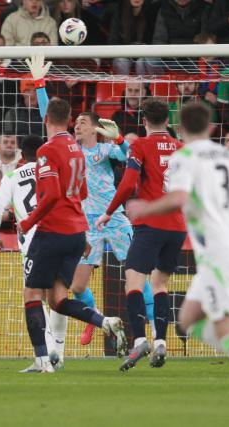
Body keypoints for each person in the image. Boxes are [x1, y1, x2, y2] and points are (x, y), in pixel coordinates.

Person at [126, 102, 229, 418]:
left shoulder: (184, 156)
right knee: (187, 320)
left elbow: (180, 197)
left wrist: (144, 209)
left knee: (226, 329)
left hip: (217, 255)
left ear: (180, 130)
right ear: (212, 127)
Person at [31, 65, 156, 360]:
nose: (78, 126)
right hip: (85, 226)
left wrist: (120, 140)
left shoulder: (104, 151)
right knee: (76, 285)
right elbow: (48, 117)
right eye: (77, 123)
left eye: (84, 123)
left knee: (137, 274)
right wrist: (40, 86)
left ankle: (152, 332)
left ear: (95, 128)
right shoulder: (70, 149)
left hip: (113, 220)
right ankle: (97, 317)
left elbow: (131, 158)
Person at [16, 53, 128, 372]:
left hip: (52, 233)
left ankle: (41, 360)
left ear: (46, 119)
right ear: (67, 121)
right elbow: (80, 193)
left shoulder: (48, 150)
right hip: (77, 234)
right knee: (58, 300)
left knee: (31, 295)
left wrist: (28, 221)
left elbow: (50, 196)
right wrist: (84, 234)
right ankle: (105, 321)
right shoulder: (76, 149)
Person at [96, 99, 186, 371]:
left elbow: (128, 184)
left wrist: (109, 211)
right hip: (177, 227)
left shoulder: (141, 146)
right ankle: (160, 341)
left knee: (134, 283)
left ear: (144, 121)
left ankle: (139, 340)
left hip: (150, 224)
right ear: (167, 121)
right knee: (160, 285)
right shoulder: (182, 149)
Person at [0, 134, 63, 372]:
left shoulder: (11, 176)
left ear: (21, 155)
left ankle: (46, 356)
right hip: (60, 236)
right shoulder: (52, 171)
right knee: (58, 297)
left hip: (33, 243)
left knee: (33, 297)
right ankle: (57, 353)